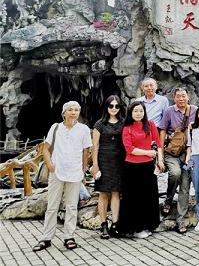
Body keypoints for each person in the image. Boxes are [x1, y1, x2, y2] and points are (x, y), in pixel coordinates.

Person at [33, 101, 92, 252]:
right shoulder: (56, 127)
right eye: (70, 110)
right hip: (57, 171)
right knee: (52, 205)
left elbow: (86, 151)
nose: (73, 112)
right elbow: (45, 148)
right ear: (63, 113)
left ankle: (69, 237)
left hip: (75, 171)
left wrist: (83, 170)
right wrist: (50, 165)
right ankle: (46, 238)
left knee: (71, 206)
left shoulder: (84, 129)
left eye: (76, 110)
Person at [119, 101, 164, 239]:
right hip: (132, 167)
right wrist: (147, 153)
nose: (139, 114)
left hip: (148, 166)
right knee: (133, 198)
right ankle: (134, 228)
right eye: (136, 111)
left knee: (148, 197)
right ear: (130, 112)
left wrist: (160, 160)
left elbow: (157, 143)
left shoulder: (150, 124)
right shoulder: (127, 128)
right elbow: (129, 149)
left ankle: (147, 225)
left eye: (141, 111)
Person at [158, 87, 197, 234]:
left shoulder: (195, 110)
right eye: (178, 96)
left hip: (189, 154)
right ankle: (168, 200)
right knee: (175, 174)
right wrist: (161, 154)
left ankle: (180, 220)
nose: (181, 99)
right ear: (174, 98)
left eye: (183, 96)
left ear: (188, 96)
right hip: (172, 152)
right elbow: (162, 131)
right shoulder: (169, 111)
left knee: (185, 186)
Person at [90, 95, 125, 239]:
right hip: (104, 160)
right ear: (106, 107)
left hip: (119, 160)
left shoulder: (123, 123)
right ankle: (103, 224)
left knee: (116, 192)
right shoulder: (99, 124)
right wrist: (95, 164)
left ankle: (115, 224)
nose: (114, 108)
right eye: (111, 106)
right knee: (103, 193)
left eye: (117, 106)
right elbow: (95, 145)